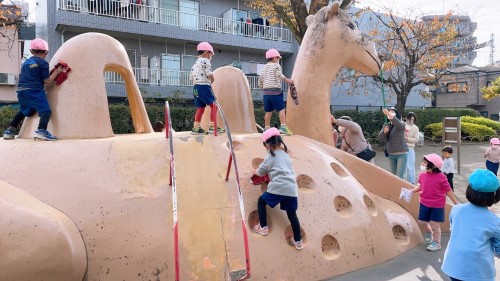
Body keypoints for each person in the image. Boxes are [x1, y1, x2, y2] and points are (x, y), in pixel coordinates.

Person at [441, 169, 500, 281]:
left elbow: (454, 229)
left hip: (454, 266)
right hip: (478, 271)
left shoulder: (456, 209)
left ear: (469, 190)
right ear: (495, 196)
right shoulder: (494, 220)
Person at [3, 38, 65, 141]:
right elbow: (47, 81)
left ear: (31, 51)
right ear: (46, 52)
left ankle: (9, 131)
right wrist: (57, 71)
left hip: (21, 91)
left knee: (24, 111)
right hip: (34, 91)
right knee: (46, 111)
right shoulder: (43, 63)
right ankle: (41, 130)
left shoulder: (26, 63)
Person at [252, 127, 303, 250]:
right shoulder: (286, 155)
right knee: (292, 215)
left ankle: (263, 227)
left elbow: (259, 172)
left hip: (279, 187)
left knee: (261, 201)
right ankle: (298, 241)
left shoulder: (270, 157)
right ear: (280, 142)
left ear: (267, 145)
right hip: (291, 189)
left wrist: (254, 171)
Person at [411, 153, 459, 252]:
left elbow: (448, 190)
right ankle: (429, 232)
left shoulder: (442, 177)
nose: (422, 164)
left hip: (437, 205)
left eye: (425, 163)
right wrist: (412, 191)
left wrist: (456, 202)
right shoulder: (422, 175)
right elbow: (421, 186)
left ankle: (437, 243)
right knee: (422, 221)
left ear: (433, 166)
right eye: (423, 162)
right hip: (424, 203)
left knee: (435, 225)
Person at [189, 41, 224, 135]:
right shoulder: (205, 60)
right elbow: (208, 73)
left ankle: (196, 127)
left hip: (195, 88)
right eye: (211, 54)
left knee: (200, 108)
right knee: (214, 105)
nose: (211, 57)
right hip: (203, 86)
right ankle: (212, 126)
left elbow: (191, 77)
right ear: (206, 52)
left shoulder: (195, 63)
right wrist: (212, 79)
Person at [258, 48, 294, 136]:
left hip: (266, 93)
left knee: (268, 111)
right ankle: (283, 127)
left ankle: (266, 127)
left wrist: (263, 88)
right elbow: (279, 75)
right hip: (275, 91)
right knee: (281, 109)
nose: (278, 60)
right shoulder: (276, 66)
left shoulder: (263, 68)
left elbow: (260, 81)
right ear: (274, 58)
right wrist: (288, 80)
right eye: (278, 58)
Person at [378, 107, 408, 178]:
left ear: (396, 114)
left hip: (401, 153)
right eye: (389, 111)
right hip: (391, 154)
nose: (390, 113)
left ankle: (400, 189)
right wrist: (384, 132)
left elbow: (398, 123)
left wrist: (388, 113)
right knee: (394, 176)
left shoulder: (401, 123)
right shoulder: (386, 125)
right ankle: (396, 189)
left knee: (399, 176)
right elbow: (380, 137)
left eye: (392, 111)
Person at [404, 112, 419, 184]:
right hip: (401, 147)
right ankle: (402, 181)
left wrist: (407, 139)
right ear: (407, 118)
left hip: (410, 148)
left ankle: (411, 182)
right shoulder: (402, 125)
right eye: (410, 119)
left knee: (410, 166)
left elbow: (416, 139)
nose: (411, 121)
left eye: (413, 120)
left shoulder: (415, 128)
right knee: (403, 166)